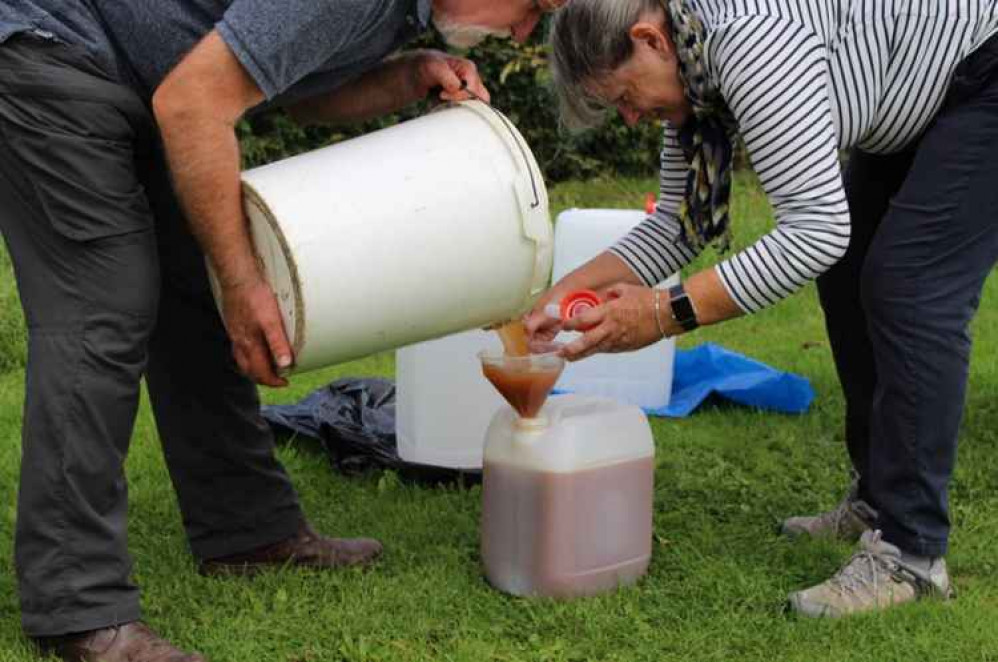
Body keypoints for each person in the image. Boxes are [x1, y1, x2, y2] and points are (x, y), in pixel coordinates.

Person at [0, 1, 562, 660]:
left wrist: (410, 76)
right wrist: (245, 285)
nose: (527, 32)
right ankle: (76, 604)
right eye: (534, 8)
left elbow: (290, 91)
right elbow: (193, 103)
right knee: (104, 305)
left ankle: (248, 532)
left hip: (135, 76)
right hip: (47, 49)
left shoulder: (400, 14)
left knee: (193, 292)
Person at [528, 0, 998, 618]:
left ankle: (909, 554)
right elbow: (679, 222)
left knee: (909, 287)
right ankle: (880, 501)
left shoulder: (749, 42)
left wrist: (665, 313)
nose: (632, 115)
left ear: (650, 39)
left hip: (982, 76)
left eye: (624, 95)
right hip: (920, 95)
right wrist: (562, 293)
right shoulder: (691, 62)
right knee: (851, 267)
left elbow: (814, 231)